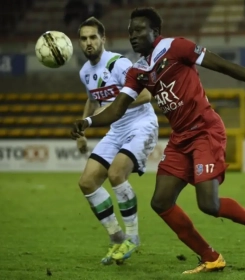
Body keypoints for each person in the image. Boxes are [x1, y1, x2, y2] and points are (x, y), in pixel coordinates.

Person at [71, 8, 245, 274]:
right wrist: (87, 122)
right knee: (161, 202)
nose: (133, 35)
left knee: (209, 205)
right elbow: (117, 108)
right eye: (131, 31)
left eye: (139, 30)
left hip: (204, 130)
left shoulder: (176, 47)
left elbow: (224, 65)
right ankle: (210, 256)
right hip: (180, 139)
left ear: (155, 31)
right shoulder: (138, 71)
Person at [76, 16, 158, 265]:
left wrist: (116, 106)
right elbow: (93, 99)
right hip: (116, 129)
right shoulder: (85, 72)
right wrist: (83, 129)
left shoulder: (118, 64)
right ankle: (116, 238)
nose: (88, 42)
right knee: (87, 182)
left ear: (103, 39)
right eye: (83, 38)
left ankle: (133, 237)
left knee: (116, 174)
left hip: (141, 125)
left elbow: (146, 94)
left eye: (93, 37)